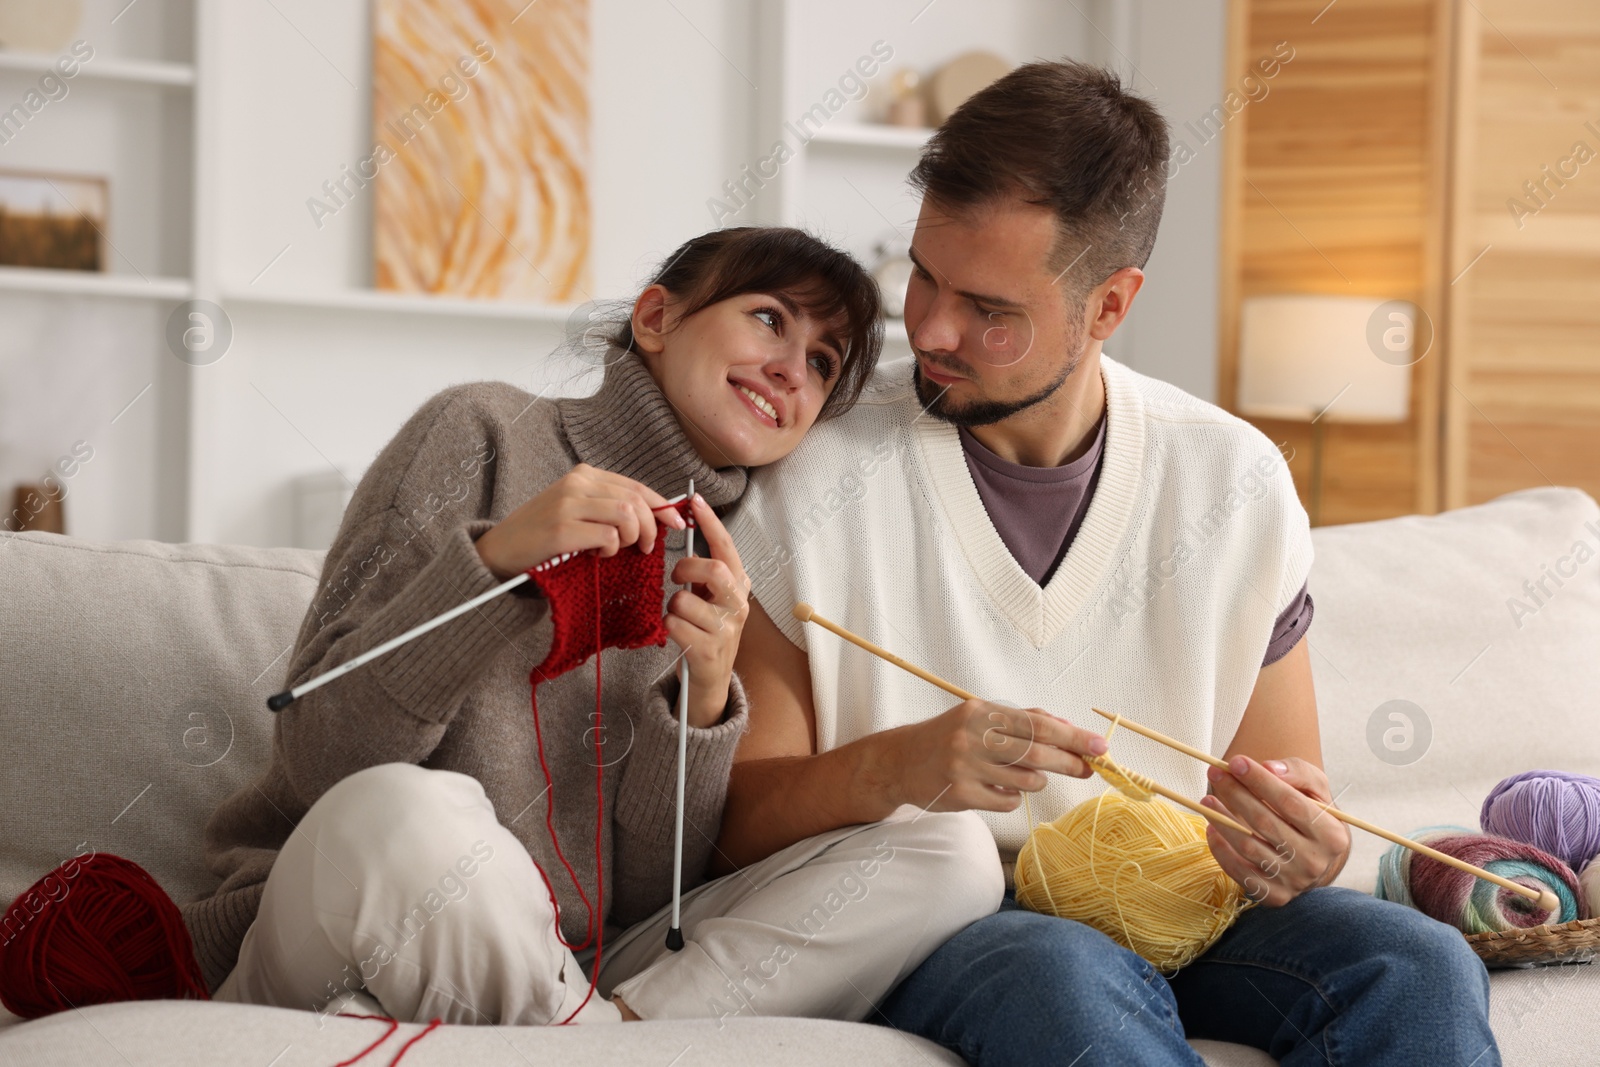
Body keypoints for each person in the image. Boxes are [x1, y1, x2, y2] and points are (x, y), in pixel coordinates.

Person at [722, 62, 1500, 1066]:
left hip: (1187, 909)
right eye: (921, 276)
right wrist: (903, 765)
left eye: (990, 310)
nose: (929, 330)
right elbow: (735, 828)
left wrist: (1303, 847)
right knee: (1067, 980)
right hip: (950, 917)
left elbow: (1287, 821)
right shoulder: (811, 464)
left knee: (1418, 963)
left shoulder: (1233, 479)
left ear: (1109, 306)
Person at [182, 226, 1003, 1028]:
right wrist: (498, 564)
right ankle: (602, 1046)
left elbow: (648, 895)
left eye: (823, 362)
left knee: (952, 853)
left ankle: (591, 1038)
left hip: (580, 965)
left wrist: (704, 696)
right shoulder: (481, 433)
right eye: (768, 318)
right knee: (411, 813)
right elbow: (327, 756)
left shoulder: (731, 547)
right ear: (655, 319)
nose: (792, 367)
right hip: (350, 899)